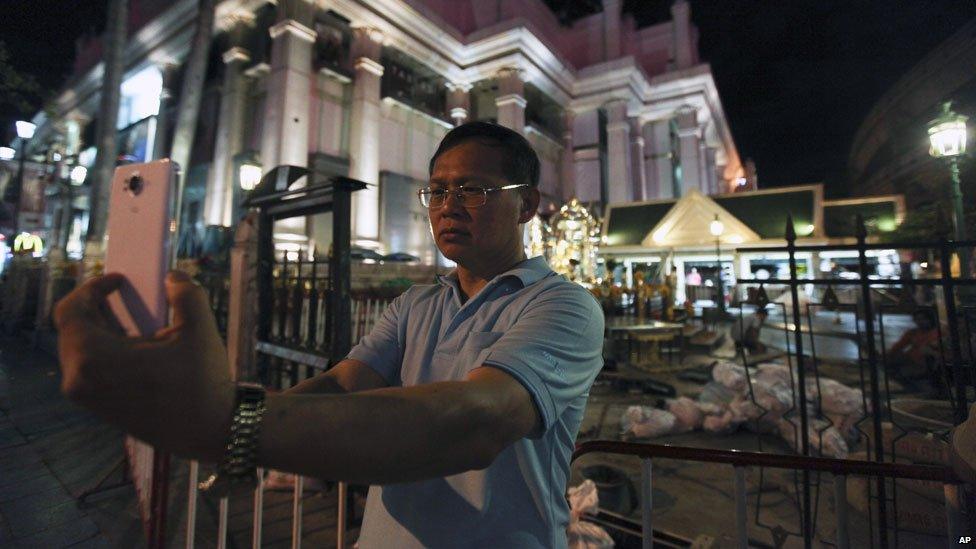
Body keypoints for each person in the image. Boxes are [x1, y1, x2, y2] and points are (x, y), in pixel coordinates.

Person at [54, 121, 605, 547]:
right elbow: (344, 384)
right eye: (436, 191)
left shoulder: (562, 306)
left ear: (527, 204)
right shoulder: (418, 303)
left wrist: (218, 423)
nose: (447, 207)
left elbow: (475, 421)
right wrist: (234, 424)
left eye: (472, 190)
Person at [886, 309, 940, 387]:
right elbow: (898, 346)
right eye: (917, 319)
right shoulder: (912, 333)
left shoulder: (938, 333)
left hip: (926, 364)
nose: (920, 322)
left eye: (923, 319)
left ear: (930, 319)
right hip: (910, 360)